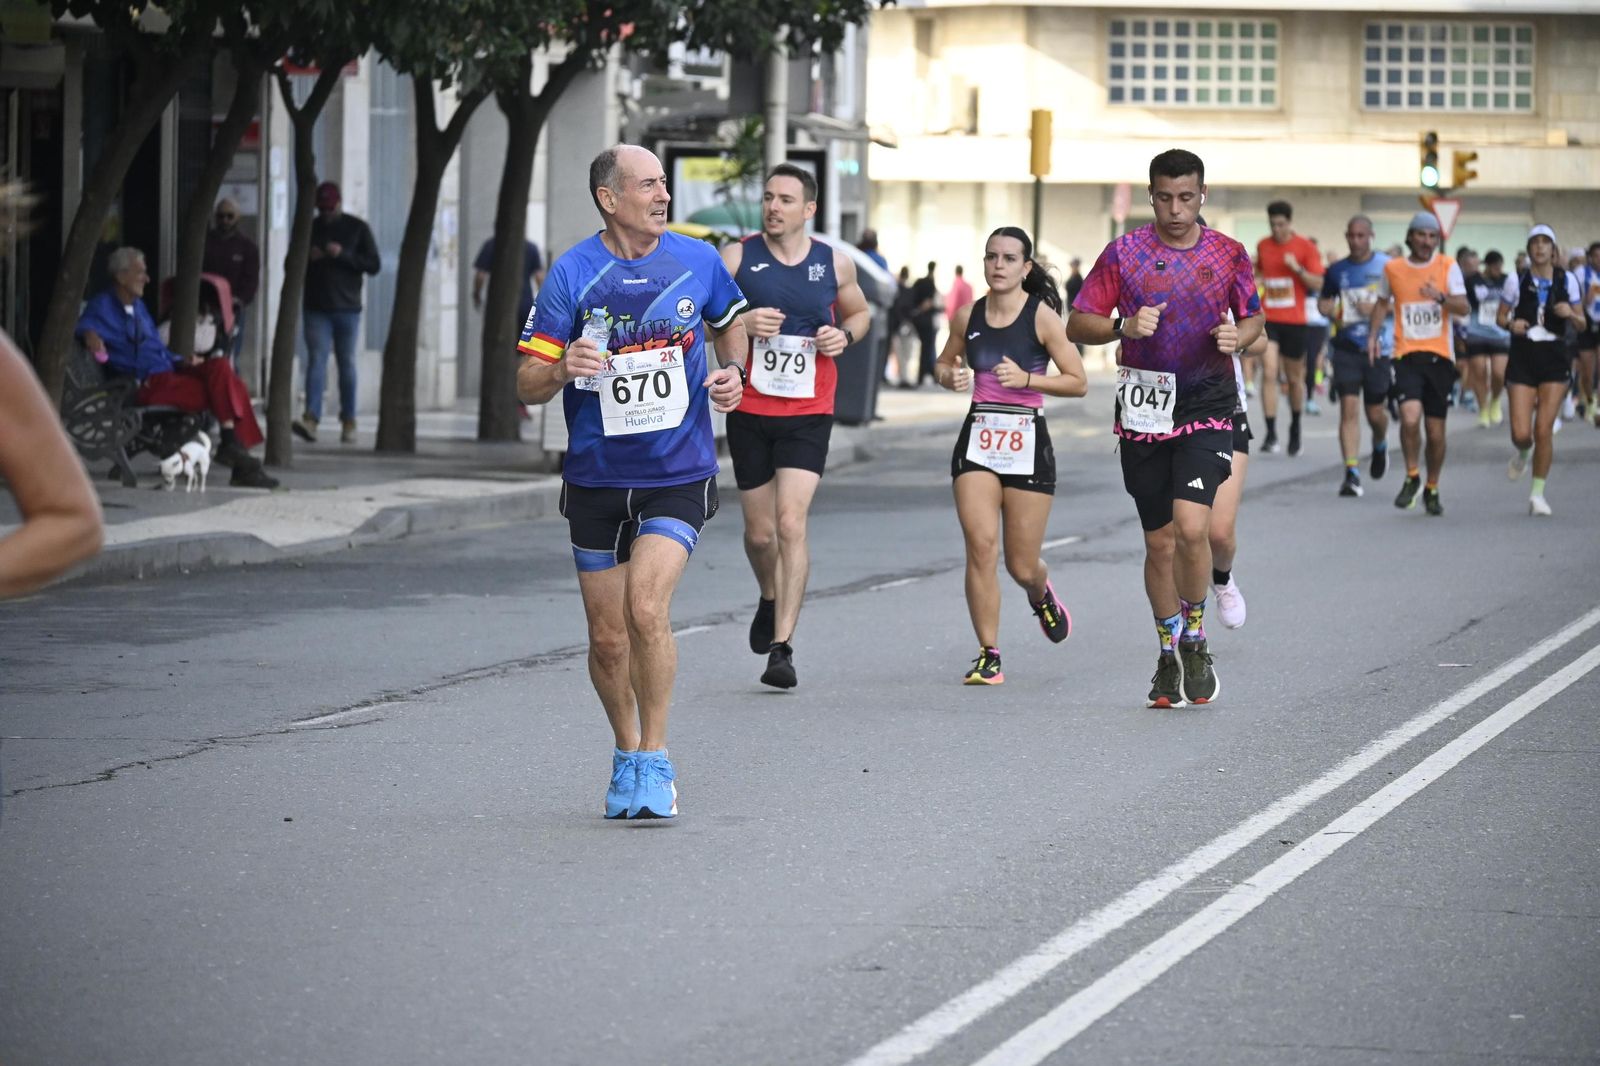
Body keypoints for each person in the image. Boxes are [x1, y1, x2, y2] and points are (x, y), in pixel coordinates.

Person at [515, 144, 748, 820]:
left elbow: (730, 325)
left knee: (646, 608)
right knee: (607, 637)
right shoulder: (572, 274)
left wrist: (733, 373)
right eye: (647, 184)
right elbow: (526, 383)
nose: (662, 194)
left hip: (677, 472)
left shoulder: (697, 261)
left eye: (663, 184)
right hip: (594, 477)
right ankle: (625, 751)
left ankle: (656, 755)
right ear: (608, 198)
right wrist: (561, 369)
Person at [1068, 148, 1264, 708]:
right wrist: (1121, 325)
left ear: (1202, 196)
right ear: (1151, 196)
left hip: (1207, 403)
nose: (1175, 209)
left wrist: (1240, 338)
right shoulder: (1124, 253)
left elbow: (1253, 316)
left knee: (1192, 528)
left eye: (1186, 197)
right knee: (1158, 544)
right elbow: (1077, 321)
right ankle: (1166, 652)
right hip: (1144, 412)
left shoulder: (1227, 254)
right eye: (1164, 197)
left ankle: (1197, 637)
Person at [721, 163, 871, 689]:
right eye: (768, 197)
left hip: (809, 410)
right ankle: (770, 594)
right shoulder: (737, 258)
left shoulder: (834, 263)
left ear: (808, 209)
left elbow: (858, 314)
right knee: (760, 535)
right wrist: (740, 323)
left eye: (785, 199)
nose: (773, 207)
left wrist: (844, 337)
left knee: (790, 524)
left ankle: (782, 648)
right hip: (751, 408)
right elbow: (701, 320)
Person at [935, 226, 1087, 685]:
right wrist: (950, 377)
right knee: (981, 546)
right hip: (979, 439)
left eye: (1008, 258)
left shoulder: (1041, 319)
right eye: (991, 257)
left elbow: (1077, 381)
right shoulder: (967, 316)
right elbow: (944, 362)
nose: (997, 265)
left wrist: (1028, 380)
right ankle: (989, 653)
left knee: (1021, 564)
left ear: (1026, 267)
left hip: (1027, 443)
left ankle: (1040, 593)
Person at [75, 246, 279, 488]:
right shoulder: (102, 306)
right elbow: (84, 325)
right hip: (146, 382)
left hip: (170, 370)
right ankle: (238, 455)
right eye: (140, 272)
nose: (147, 278)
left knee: (221, 368)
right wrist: (89, 334)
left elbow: (156, 348)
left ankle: (231, 444)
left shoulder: (138, 306)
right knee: (226, 389)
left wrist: (182, 361)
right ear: (121, 276)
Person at [1367, 211, 1468, 517]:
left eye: (1432, 236)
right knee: (1410, 418)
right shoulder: (1393, 268)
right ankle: (1412, 476)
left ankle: (1432, 486)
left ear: (1437, 240)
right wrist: (1373, 335)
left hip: (1440, 359)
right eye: (1421, 235)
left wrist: (1440, 298)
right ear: (1410, 237)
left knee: (1435, 433)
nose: (1426, 241)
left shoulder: (1447, 267)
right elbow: (1383, 302)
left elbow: (1463, 307)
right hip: (1406, 355)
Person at [1500, 225, 1585, 516]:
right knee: (1522, 432)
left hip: (1554, 355)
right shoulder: (1516, 280)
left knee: (1543, 429)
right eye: (1534, 243)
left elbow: (1582, 323)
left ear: (1553, 249)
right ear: (1528, 249)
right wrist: (1511, 324)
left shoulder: (1568, 280)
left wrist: (1571, 314)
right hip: (1523, 356)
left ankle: (1537, 494)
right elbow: (1500, 317)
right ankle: (1523, 451)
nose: (1539, 248)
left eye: (1545, 242)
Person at [295, 181, 381, 445]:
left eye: (330, 208)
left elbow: (373, 264)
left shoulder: (357, 228)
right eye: (322, 209)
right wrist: (307, 257)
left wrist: (342, 255)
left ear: (340, 204)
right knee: (317, 361)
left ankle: (349, 420)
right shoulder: (310, 228)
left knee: (347, 365)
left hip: (348, 308)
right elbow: (291, 262)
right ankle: (311, 417)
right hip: (316, 307)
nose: (326, 214)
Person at [1318, 214, 1393, 498]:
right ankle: (1351, 472)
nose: (1356, 241)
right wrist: (1328, 308)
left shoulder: (1386, 266)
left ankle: (1380, 442)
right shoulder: (1337, 270)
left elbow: (1402, 304)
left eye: (1361, 236)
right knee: (1348, 409)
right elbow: (1325, 301)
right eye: (1351, 235)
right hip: (1347, 347)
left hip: (1378, 349)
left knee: (1376, 413)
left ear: (1371, 236)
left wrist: (1376, 308)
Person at [1255, 200, 1323, 455]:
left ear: (1290, 223)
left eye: (1281, 224)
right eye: (1272, 224)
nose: (1276, 229)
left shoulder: (1304, 247)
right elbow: (1260, 274)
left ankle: (1295, 426)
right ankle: (1271, 433)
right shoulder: (1263, 245)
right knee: (1270, 372)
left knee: (1295, 378)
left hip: (1295, 321)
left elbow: (1318, 283)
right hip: (1269, 318)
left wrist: (1298, 269)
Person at [1209, 333, 1261, 630]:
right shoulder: (1152, 286)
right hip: (1171, 413)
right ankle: (1187, 621)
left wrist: (1237, 340)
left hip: (1227, 410)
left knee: (1219, 533)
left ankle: (1221, 578)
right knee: (1179, 532)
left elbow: (1260, 340)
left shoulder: (1230, 284)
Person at [202, 197, 259, 361]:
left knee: (231, 355)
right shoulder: (206, 243)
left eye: (229, 216)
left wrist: (239, 300)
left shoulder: (247, 247)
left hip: (233, 309)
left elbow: (251, 281)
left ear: (237, 217)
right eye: (220, 216)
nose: (225, 220)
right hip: (206, 307)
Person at [1462, 249, 1512, 428]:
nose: (1498, 270)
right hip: (1478, 332)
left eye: (1500, 267)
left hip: (1500, 333)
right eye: (1495, 267)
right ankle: (1483, 407)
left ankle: (1496, 400)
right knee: (1479, 370)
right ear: (1488, 266)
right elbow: (1467, 301)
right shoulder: (1473, 280)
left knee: (1499, 372)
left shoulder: (1507, 280)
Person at [472, 234, 544, 332]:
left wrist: (476, 295)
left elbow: (480, 275)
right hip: (524, 303)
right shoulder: (530, 247)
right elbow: (539, 277)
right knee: (521, 343)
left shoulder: (491, 245)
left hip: (497, 305)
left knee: (497, 341)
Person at [1575, 241, 1600, 427]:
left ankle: (1598, 405)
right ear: (1590, 257)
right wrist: (1587, 299)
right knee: (1587, 371)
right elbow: (1574, 303)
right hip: (1586, 323)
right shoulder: (1581, 273)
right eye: (1596, 256)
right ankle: (1589, 400)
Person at [908, 261, 940, 387]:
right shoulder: (930, 283)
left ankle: (924, 374)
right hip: (926, 320)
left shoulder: (920, 282)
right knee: (927, 347)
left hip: (918, 319)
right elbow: (928, 303)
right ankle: (926, 373)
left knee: (925, 348)